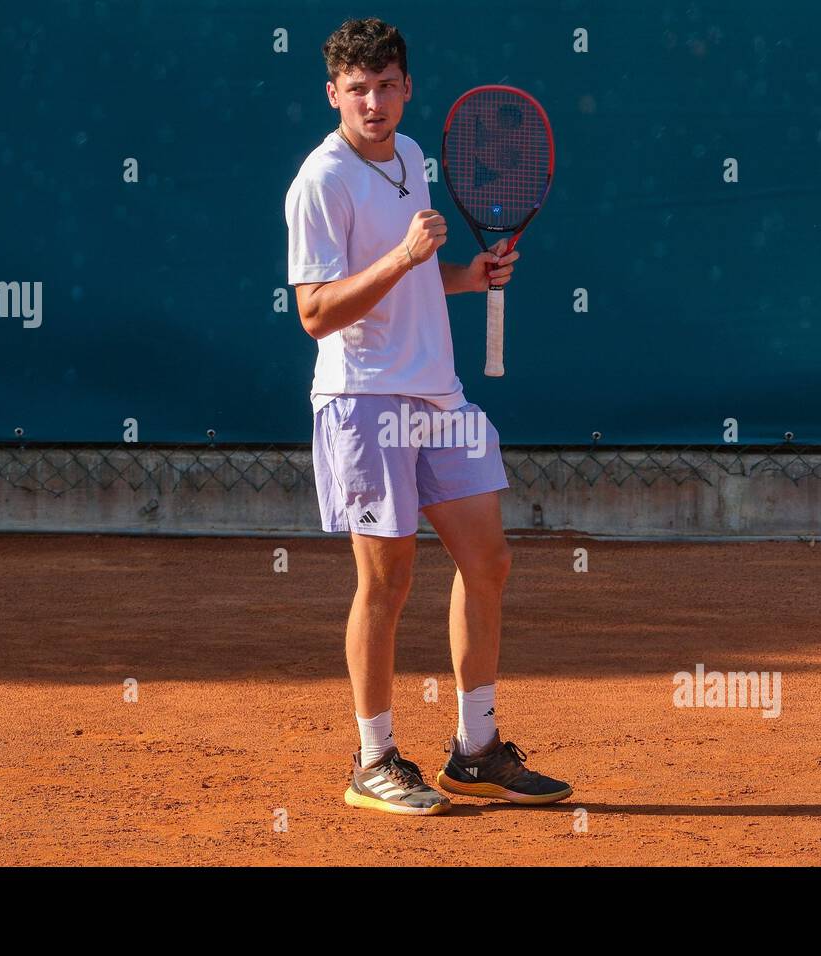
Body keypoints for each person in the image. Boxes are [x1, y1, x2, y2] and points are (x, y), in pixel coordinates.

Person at [284, 17, 572, 815]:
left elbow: (411, 284)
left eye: (385, 86)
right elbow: (315, 313)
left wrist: (465, 276)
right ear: (333, 94)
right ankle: (373, 760)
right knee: (388, 580)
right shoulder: (321, 180)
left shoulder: (413, 157)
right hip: (365, 398)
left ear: (408, 88)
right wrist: (403, 257)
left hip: (438, 394)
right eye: (356, 89)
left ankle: (475, 751)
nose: (372, 102)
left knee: (488, 561)